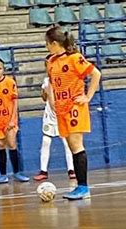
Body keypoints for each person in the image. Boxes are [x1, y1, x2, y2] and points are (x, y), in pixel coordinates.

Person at [45, 26, 101, 200]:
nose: (46, 46)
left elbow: (96, 74)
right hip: (61, 109)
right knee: (71, 146)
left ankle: (83, 187)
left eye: (47, 43)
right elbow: (52, 84)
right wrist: (53, 101)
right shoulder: (51, 62)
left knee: (77, 145)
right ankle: (80, 186)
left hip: (75, 107)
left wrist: (88, 97)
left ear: (55, 43)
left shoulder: (75, 58)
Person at [33, 65, 77, 185]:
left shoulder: (64, 79)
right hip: (49, 116)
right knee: (46, 141)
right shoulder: (46, 81)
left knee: (67, 142)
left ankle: (71, 169)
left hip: (61, 114)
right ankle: (43, 171)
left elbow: (57, 101)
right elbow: (44, 99)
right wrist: (44, 92)